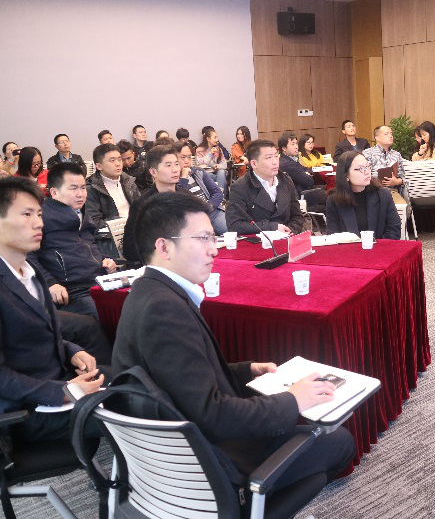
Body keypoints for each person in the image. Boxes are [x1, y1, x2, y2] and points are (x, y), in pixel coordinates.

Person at [112, 192, 355, 488]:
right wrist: (293, 400)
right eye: (203, 238)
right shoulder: (164, 310)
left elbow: (180, 378)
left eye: (213, 238)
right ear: (163, 247)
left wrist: (244, 371)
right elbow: (213, 416)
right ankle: (254, 500)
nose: (214, 249)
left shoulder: (148, 290)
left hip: (184, 447)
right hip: (213, 464)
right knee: (340, 442)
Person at [0, 177, 104, 442]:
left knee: (137, 381)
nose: (39, 223)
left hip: (59, 380)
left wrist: (72, 350)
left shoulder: (29, 271)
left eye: (38, 214)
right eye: (26, 214)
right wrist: (64, 392)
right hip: (26, 410)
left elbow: (36, 335)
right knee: (133, 406)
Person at [32, 162, 117, 320]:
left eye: (83, 188)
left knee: (134, 305)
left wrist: (105, 259)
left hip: (99, 282)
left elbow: (89, 246)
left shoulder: (82, 213)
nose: (80, 194)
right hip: (72, 291)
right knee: (108, 317)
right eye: (73, 188)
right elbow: (28, 256)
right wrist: (50, 283)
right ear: (54, 192)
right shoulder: (41, 218)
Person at [122, 144, 183, 267]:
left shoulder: (186, 198)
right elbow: (130, 249)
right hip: (156, 264)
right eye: (168, 165)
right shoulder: (142, 205)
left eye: (176, 164)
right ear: (153, 172)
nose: (175, 169)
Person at [226, 139, 304, 234]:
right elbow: (235, 225)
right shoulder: (240, 187)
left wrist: (291, 230)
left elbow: (297, 216)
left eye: (276, 156)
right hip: (258, 240)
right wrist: (271, 227)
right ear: (254, 163)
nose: (275, 162)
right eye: (268, 158)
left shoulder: (285, 180)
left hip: (287, 238)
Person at [325, 151, 401, 240]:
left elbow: (394, 232)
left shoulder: (383, 195)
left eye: (368, 167)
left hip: (379, 247)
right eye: (360, 169)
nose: (367, 172)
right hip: (349, 248)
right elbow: (333, 236)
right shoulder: (334, 200)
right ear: (346, 175)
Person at [85, 143, 141, 230]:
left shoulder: (128, 181)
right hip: (113, 234)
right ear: (99, 166)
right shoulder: (91, 188)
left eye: (119, 159)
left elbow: (141, 208)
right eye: (112, 160)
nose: (118, 164)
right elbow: (94, 222)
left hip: (136, 229)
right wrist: (124, 223)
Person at [175, 142, 227, 235]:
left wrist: (209, 207)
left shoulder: (198, 172)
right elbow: (181, 202)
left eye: (189, 157)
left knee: (232, 231)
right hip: (191, 219)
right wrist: (184, 178)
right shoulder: (173, 179)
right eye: (183, 158)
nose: (187, 161)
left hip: (212, 212)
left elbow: (217, 192)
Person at [362, 125, 405, 196]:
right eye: (386, 134)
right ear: (377, 138)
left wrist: (396, 181)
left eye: (391, 134)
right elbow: (363, 174)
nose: (390, 136)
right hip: (373, 191)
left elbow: (402, 176)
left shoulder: (396, 154)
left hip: (393, 192)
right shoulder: (368, 153)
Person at [278, 131, 314, 197]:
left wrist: (306, 173)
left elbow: (306, 169)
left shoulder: (290, 159)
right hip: (301, 195)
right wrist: (306, 174)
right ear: (284, 148)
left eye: (296, 143)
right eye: (293, 144)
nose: (296, 147)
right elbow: (309, 182)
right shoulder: (287, 164)